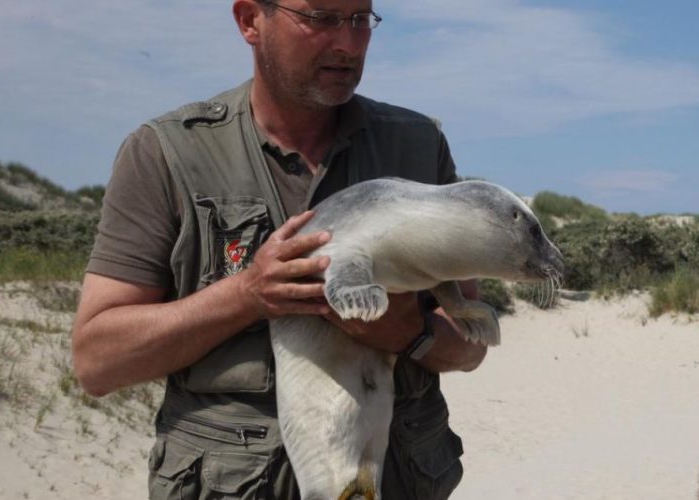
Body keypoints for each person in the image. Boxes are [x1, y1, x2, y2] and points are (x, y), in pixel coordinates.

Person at [70, 1, 486, 498]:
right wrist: (247, 294)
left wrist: (412, 332)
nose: (349, 44)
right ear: (250, 20)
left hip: (395, 478)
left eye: (360, 19)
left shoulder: (417, 147)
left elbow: (472, 344)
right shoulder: (167, 155)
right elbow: (97, 361)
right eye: (321, 17)